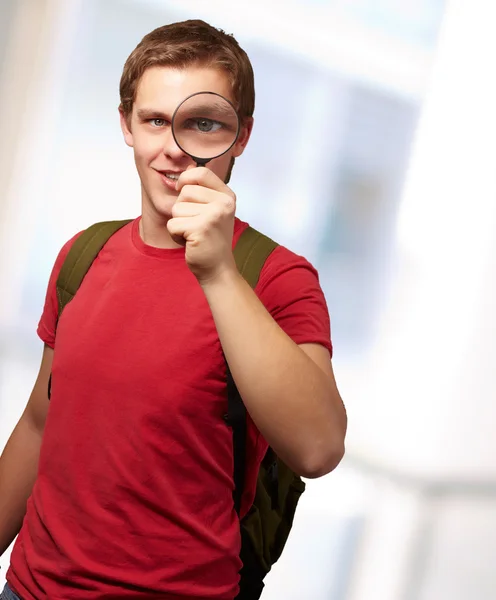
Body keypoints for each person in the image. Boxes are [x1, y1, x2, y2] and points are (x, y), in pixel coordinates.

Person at [0, 19, 346, 600]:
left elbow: (318, 447)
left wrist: (216, 271)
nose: (174, 149)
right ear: (126, 126)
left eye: (203, 124)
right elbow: (40, 421)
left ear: (241, 136)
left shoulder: (277, 278)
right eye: (156, 120)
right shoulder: (83, 255)